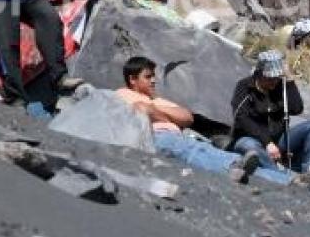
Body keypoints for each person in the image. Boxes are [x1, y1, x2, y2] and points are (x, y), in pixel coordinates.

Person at [117, 56, 292, 185]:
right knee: (195, 152)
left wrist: (156, 110)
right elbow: (140, 110)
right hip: (155, 136)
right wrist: (166, 116)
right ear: (132, 79)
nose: (154, 80)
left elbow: (187, 117)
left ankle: (288, 180)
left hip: (180, 135)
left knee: (218, 154)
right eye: (148, 77)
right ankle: (232, 169)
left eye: (154, 75)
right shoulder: (122, 94)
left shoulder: (157, 100)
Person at [230, 50, 310, 182]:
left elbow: (296, 108)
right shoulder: (244, 87)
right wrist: (267, 142)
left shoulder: (281, 87)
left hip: (279, 140)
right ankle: (285, 177)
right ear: (259, 73)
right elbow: (241, 117)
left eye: (276, 78)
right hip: (252, 139)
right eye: (270, 78)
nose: (273, 82)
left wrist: (290, 81)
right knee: (249, 146)